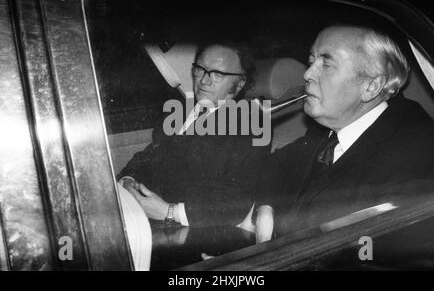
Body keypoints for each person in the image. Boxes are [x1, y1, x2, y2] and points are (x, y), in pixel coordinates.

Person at [254, 25, 434, 242]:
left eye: (326, 64)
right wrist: (266, 208)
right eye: (312, 62)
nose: (307, 74)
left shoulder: (415, 159)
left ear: (371, 86)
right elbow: (275, 167)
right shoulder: (326, 131)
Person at [118, 42, 270, 228]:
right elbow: (148, 156)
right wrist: (127, 181)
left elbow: (234, 204)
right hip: (143, 218)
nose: (204, 80)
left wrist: (168, 211)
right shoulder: (181, 111)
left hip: (195, 232)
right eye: (200, 69)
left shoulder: (250, 127)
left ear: (239, 84)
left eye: (218, 74)